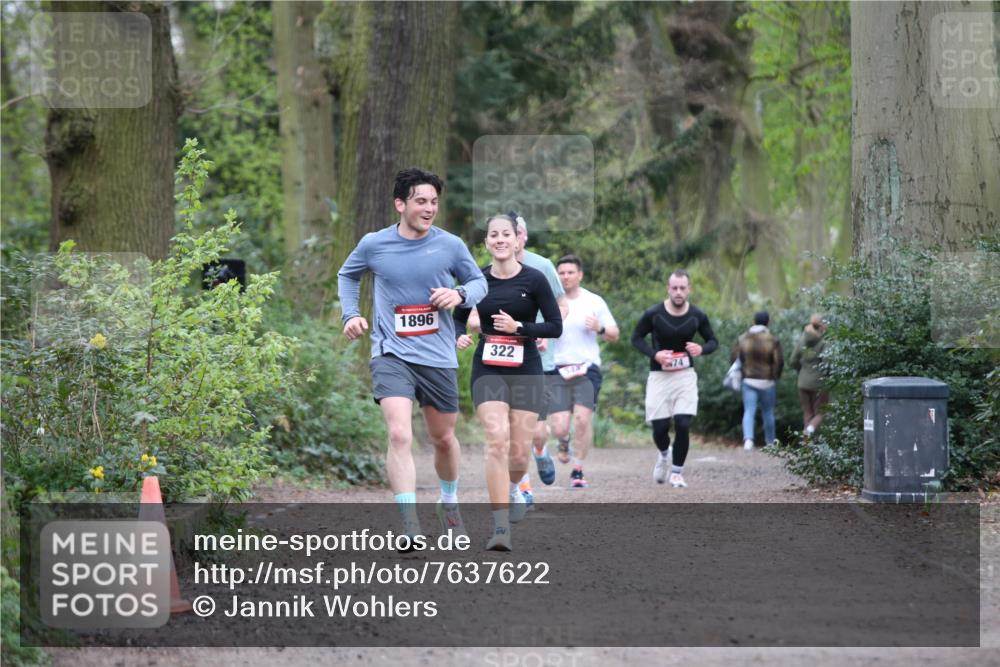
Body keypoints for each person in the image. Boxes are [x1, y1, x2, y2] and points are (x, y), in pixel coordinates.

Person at [337, 167, 487, 547]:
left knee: (444, 438)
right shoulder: (374, 244)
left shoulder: (450, 245)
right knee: (399, 434)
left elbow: (479, 283)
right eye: (421, 201)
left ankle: (448, 503)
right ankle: (409, 525)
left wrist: (460, 295)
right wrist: (351, 314)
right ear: (400, 204)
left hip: (438, 355)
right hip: (392, 353)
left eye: (434, 202)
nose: (429, 208)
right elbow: (347, 275)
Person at [454, 214, 561, 551]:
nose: (500, 240)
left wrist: (520, 328)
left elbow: (555, 326)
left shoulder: (535, 279)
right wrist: (458, 335)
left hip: (526, 367)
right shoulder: (477, 280)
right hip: (488, 368)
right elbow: (457, 316)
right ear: (486, 242)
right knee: (496, 441)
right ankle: (500, 528)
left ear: (517, 240)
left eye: (506, 234)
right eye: (493, 235)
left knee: (518, 454)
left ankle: (515, 488)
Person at [630, 269, 718, 488]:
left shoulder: (697, 315)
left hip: (685, 376)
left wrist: (702, 349)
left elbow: (713, 341)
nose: (678, 292)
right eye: (675, 288)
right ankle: (663, 454)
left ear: (689, 290)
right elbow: (636, 338)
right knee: (660, 428)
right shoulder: (654, 313)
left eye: (682, 288)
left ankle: (677, 473)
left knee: (682, 423)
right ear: (668, 289)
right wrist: (655, 355)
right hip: (659, 376)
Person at [547, 254, 619, 489]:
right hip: (557, 368)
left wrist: (600, 327)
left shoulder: (594, 301)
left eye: (570, 272)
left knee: (582, 420)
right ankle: (563, 441)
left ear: (580, 275)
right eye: (561, 273)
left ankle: (578, 469)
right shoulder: (550, 301)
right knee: (559, 426)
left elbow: (614, 334)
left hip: (587, 369)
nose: (565, 277)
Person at [732, 311, 784, 451]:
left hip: (748, 380)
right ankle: (770, 442)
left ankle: (748, 440)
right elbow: (778, 361)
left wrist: (742, 373)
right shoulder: (773, 340)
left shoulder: (743, 339)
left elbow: (734, 358)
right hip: (767, 381)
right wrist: (775, 376)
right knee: (768, 412)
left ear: (753, 322)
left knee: (749, 411)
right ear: (768, 322)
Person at [790, 313, 828, 436]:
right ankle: (810, 430)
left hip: (803, 382)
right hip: (819, 383)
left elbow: (793, 360)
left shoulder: (803, 339)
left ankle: (807, 442)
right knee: (821, 413)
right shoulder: (824, 342)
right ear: (822, 326)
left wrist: (801, 371)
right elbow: (827, 364)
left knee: (808, 413)